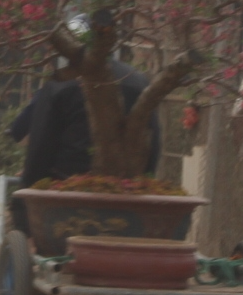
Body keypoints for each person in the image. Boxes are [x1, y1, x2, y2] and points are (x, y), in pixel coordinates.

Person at [9, 56, 162, 236]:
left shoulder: (61, 83)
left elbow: (40, 149)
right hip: (131, 191)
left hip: (68, 190)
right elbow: (154, 140)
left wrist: (29, 188)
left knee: (22, 205)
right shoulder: (140, 82)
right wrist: (144, 179)